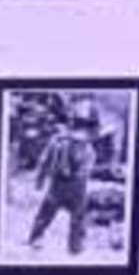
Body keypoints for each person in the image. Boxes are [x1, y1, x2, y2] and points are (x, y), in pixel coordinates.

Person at [23, 103, 95, 258]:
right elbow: (88, 165)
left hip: (59, 184)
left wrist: (40, 180)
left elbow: (44, 160)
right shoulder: (85, 143)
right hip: (76, 186)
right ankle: (75, 247)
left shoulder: (57, 140)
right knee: (77, 217)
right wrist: (82, 174)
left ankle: (35, 238)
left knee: (46, 214)